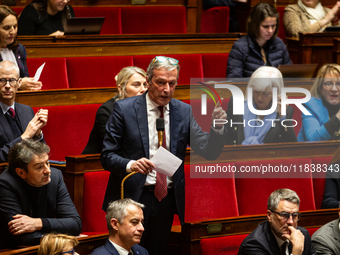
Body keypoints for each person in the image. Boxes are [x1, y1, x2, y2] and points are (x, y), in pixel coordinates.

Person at [101, 55, 227, 255]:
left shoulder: (183, 111)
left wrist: (217, 129)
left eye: (172, 83)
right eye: (160, 83)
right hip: (133, 197)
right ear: (149, 81)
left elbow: (208, 151)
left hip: (165, 199)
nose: (166, 89)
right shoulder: (124, 109)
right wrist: (131, 164)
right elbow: (107, 156)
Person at [0, 139, 82, 249]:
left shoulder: (55, 177)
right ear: (21, 172)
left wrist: (39, 223)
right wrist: (60, 238)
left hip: (47, 248)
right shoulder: (5, 184)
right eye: (39, 167)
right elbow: (20, 236)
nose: (48, 170)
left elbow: (75, 224)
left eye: (47, 163)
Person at [82, 66, 147, 154]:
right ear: (121, 89)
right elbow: (114, 145)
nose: (143, 89)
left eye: (145, 85)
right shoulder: (106, 111)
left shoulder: (149, 108)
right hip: (96, 163)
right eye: (136, 85)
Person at [225, 66, 297, 145]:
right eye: (257, 92)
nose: (259, 98)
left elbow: (292, 146)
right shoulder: (237, 105)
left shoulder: (284, 111)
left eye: (265, 94)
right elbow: (224, 138)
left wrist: (283, 118)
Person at [238, 188, 316, 255]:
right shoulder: (254, 245)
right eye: (285, 215)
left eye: (295, 215)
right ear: (269, 215)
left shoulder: (303, 235)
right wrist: (296, 252)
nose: (291, 222)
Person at [226, 2, 292, 78]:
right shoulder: (240, 47)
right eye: (265, 26)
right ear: (254, 25)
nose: (270, 30)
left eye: (273, 26)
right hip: (250, 89)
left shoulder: (279, 44)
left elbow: (289, 76)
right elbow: (233, 80)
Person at [0, 60, 48, 163]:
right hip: (7, 172)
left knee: (57, 176)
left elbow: (42, 152)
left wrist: (38, 134)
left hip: (31, 170)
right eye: (2, 80)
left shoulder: (27, 110)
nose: (7, 85)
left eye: (12, 80)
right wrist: (25, 137)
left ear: (19, 83)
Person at [0, 5, 42, 91]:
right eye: (7, 28)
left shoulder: (19, 49)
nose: (13, 32)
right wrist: (17, 85)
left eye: (15, 27)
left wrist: (31, 85)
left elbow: (24, 78)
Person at [298, 64, 340, 141]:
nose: (334, 89)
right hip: (313, 152)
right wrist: (338, 117)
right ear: (320, 88)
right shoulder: (310, 105)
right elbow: (312, 139)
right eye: (328, 84)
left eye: (339, 84)